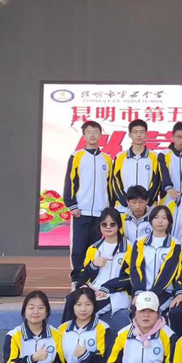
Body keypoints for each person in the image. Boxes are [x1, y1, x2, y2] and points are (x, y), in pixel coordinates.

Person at [65, 207, 132, 332]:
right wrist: (93, 265)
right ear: (100, 226)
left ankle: (81, 336)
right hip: (93, 290)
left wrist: (106, 288)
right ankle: (65, 336)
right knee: (71, 300)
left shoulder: (130, 248)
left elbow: (131, 278)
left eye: (112, 224)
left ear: (119, 225)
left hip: (115, 293)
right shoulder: (93, 248)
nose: (108, 227)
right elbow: (83, 276)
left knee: (86, 308)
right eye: (104, 224)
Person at [63, 121, 113, 286]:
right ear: (84, 135)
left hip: (100, 213)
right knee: (78, 248)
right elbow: (70, 181)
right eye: (89, 132)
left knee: (95, 247)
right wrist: (72, 205)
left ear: (101, 135)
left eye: (96, 132)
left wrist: (108, 209)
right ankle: (77, 280)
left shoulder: (107, 159)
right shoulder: (76, 156)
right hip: (81, 211)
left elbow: (109, 185)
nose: (92, 135)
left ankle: (91, 279)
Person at [110, 205, 180, 313]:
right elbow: (136, 268)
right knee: (136, 312)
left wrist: (152, 294)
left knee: (151, 311)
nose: (160, 221)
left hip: (164, 292)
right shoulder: (140, 242)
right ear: (151, 220)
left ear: (169, 222)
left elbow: (168, 272)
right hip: (142, 290)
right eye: (156, 217)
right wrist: (139, 291)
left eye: (164, 218)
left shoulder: (175, 244)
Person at [112, 120, 161, 211]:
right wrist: (125, 201)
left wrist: (146, 202)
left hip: (148, 208)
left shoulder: (155, 157)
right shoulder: (120, 157)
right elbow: (115, 181)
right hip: (124, 208)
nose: (138, 135)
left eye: (142, 132)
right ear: (130, 135)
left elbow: (157, 182)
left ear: (146, 135)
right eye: (135, 132)